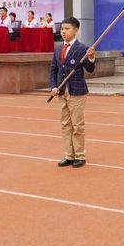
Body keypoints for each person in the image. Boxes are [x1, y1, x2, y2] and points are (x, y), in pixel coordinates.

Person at [50, 17, 96, 168]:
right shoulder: (57, 49)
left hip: (76, 91)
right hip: (61, 91)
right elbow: (53, 70)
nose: (63, 31)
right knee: (65, 124)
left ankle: (80, 155)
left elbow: (89, 69)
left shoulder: (82, 49)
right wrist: (53, 86)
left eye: (67, 29)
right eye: (62, 29)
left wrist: (91, 57)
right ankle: (69, 155)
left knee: (77, 125)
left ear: (75, 30)